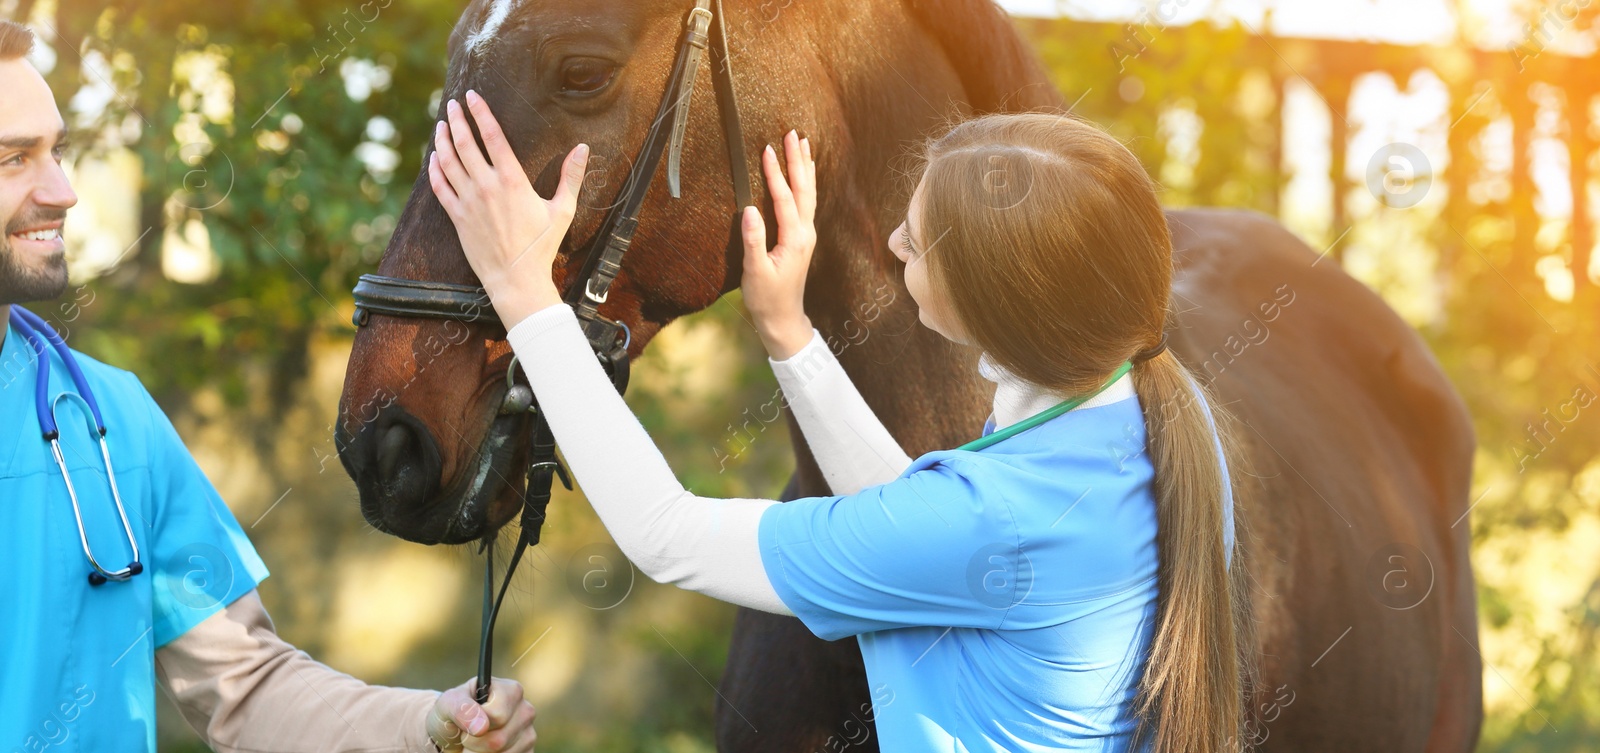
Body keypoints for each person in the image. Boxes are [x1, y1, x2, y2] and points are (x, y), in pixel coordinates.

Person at [429, 87, 1244, 752]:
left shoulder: (994, 518)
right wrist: (790, 333)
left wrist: (524, 293)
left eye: (918, 243)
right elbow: (920, 528)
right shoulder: (1155, 415)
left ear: (999, 304)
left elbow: (666, 535)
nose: (892, 241)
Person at [0, 22, 537, 753]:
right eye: (13, 159)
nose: (62, 190)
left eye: (56, 151)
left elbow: (247, 690)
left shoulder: (110, 422)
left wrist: (425, 728)